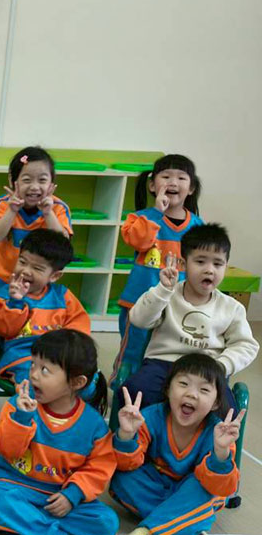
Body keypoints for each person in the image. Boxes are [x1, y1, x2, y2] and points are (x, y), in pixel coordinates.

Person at [0, 330, 119, 535]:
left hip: (59, 495)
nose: (33, 374)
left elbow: (99, 468)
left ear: (76, 382)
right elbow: (7, 450)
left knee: (107, 523)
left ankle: (24, 527)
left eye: (44, 370)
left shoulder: (93, 424)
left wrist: (72, 495)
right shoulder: (19, 405)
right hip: (16, 486)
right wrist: (22, 419)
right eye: (32, 364)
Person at [112, 355, 244, 535]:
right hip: (158, 486)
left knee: (207, 492)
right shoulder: (150, 417)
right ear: (167, 389)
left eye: (204, 390)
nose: (191, 393)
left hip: (193, 491)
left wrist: (221, 453)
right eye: (183, 383)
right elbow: (126, 464)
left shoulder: (219, 432)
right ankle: (192, 530)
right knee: (121, 478)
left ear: (216, 403)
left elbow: (225, 488)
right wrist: (126, 436)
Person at [121, 223, 258, 410]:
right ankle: (142, 429)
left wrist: (222, 365)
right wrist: (163, 290)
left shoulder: (231, 308)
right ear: (184, 264)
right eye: (200, 262)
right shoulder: (166, 294)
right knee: (134, 392)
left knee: (226, 410)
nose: (209, 270)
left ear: (226, 267)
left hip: (208, 370)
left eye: (218, 264)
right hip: (164, 364)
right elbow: (138, 319)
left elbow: (247, 345)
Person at [112, 154, 204, 382]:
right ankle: (124, 387)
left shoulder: (198, 226)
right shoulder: (140, 218)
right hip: (139, 302)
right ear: (152, 185)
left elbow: (201, 262)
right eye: (166, 176)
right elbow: (138, 242)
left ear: (191, 188)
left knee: (168, 352)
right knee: (133, 351)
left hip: (177, 305)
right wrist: (156, 213)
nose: (173, 182)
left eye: (181, 178)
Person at [0, 229, 104, 406]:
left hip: (59, 357)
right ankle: (32, 419)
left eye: (37, 268)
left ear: (54, 276)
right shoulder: (4, 295)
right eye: (22, 262)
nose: (26, 271)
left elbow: (78, 330)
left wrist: (70, 353)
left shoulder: (63, 296)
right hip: (24, 358)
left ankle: (71, 420)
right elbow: (4, 329)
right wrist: (15, 302)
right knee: (35, 387)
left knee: (86, 387)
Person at [0, 146, 72, 291]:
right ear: (13, 181)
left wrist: (48, 213)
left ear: (51, 184)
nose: (34, 187)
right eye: (27, 180)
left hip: (38, 281)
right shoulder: (4, 204)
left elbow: (63, 243)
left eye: (42, 180)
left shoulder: (58, 207)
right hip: (4, 276)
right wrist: (12, 211)